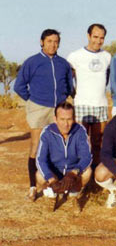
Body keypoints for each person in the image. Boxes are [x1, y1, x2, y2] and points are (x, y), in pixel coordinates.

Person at [14, 29, 73, 200]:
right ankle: (33, 186)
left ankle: (60, 183)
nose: (53, 45)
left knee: (61, 145)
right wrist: (33, 101)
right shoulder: (32, 62)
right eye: (49, 41)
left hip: (59, 110)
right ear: (41, 42)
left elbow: (69, 86)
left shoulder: (63, 64)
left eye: (56, 41)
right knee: (36, 146)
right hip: (39, 108)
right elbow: (19, 86)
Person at [67, 24, 111, 166]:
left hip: (101, 105)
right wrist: (75, 94)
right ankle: (80, 173)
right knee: (81, 142)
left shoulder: (107, 56)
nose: (98, 41)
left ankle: (95, 175)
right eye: (95, 37)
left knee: (98, 142)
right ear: (88, 36)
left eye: (101, 38)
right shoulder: (75, 56)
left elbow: (106, 78)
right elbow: (68, 79)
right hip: (81, 105)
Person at [36, 102, 92, 198]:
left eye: (69, 119)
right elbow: (40, 160)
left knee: (88, 172)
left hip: (73, 172)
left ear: (74, 119)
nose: (66, 124)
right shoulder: (47, 132)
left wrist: (74, 172)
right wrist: (51, 179)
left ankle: (74, 190)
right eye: (62, 119)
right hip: (55, 172)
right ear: (55, 119)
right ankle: (53, 188)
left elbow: (87, 157)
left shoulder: (80, 130)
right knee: (40, 176)